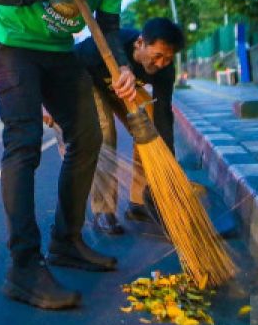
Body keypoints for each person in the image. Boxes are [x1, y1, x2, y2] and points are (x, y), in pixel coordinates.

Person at [0, 0, 155, 310]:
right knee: (23, 146)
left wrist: (123, 69)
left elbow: (110, 28)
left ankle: (67, 241)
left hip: (60, 52)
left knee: (88, 137)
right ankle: (23, 267)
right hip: (11, 45)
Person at [71, 17, 182, 235]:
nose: (160, 64)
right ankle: (104, 211)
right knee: (105, 133)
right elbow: (70, 67)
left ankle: (140, 203)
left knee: (149, 131)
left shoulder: (164, 71)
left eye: (167, 59)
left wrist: (167, 162)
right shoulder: (109, 46)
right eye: (157, 56)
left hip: (123, 90)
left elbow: (163, 116)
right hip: (88, 80)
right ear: (140, 43)